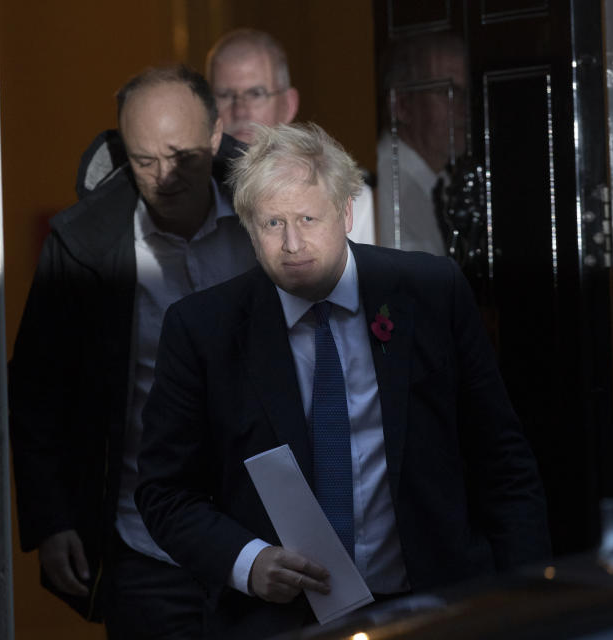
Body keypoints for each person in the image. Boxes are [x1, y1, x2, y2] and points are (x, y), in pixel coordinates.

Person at [135, 122, 551, 639]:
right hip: (281, 622)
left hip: (437, 608)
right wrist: (248, 562)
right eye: (272, 223)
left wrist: (528, 603)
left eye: (309, 218)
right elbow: (164, 491)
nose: (292, 243)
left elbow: (504, 464)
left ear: (346, 213)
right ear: (248, 228)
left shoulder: (429, 292)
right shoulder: (203, 330)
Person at [8, 66, 256, 638]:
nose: (165, 177)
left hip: (264, 536)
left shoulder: (265, 220)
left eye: (181, 155)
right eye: (145, 161)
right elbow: (36, 390)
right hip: (144, 548)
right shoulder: (85, 245)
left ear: (216, 136)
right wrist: (53, 521)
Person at [206, 27, 377, 246]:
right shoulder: (190, 204)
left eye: (256, 94)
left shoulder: (351, 200)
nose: (240, 110)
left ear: (288, 104)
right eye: (225, 95)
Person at [376, 34, 467, 255]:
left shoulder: (442, 183)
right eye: (447, 92)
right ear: (402, 105)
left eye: (466, 93)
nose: (464, 107)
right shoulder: (382, 190)